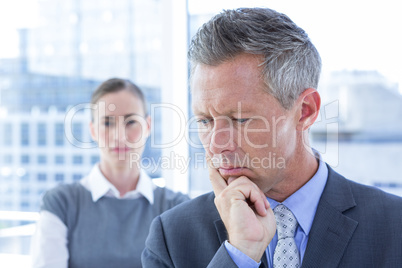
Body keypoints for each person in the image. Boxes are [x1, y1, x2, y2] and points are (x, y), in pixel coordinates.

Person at [142, 8, 402, 268]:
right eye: (205, 121)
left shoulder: (394, 225)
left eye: (241, 119)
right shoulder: (172, 237)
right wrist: (240, 255)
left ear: (305, 111)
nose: (216, 144)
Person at [31, 78, 189, 268]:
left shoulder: (176, 207)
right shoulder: (61, 203)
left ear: (147, 126)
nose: (120, 136)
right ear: (93, 130)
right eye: (107, 123)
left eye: (131, 121)